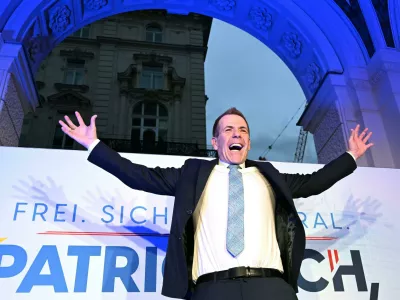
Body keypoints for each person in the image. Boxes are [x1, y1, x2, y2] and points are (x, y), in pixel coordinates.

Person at [59, 108, 373, 300]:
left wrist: (350, 156)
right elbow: (138, 176)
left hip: (271, 288)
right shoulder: (192, 174)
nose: (237, 134)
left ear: (248, 142)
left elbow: (314, 182)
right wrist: (94, 145)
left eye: (243, 131)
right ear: (215, 142)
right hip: (212, 289)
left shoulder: (269, 176)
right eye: (228, 130)